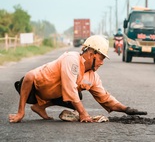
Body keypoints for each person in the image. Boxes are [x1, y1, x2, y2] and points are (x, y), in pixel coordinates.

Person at [9, 35, 147, 123]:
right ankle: (21, 111)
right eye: (101, 58)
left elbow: (105, 98)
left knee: (77, 95)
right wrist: (83, 114)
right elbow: (69, 88)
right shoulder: (72, 59)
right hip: (32, 89)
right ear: (91, 54)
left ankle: (40, 107)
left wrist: (126, 109)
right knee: (29, 76)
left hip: (52, 93)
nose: (102, 62)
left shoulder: (92, 76)